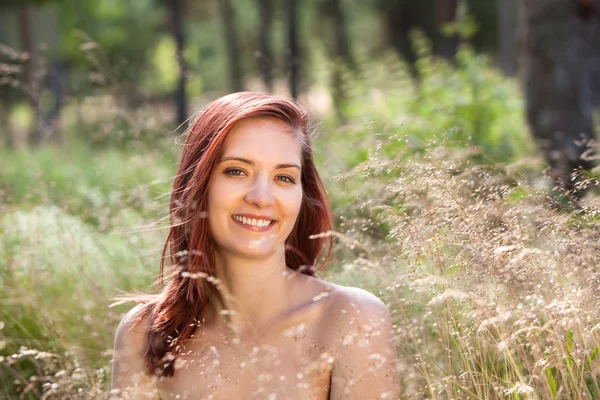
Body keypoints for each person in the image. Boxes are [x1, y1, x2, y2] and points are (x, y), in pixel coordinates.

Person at [111, 92, 400, 399]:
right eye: (237, 171)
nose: (261, 197)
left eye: (284, 177)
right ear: (198, 185)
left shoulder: (350, 318)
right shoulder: (144, 334)